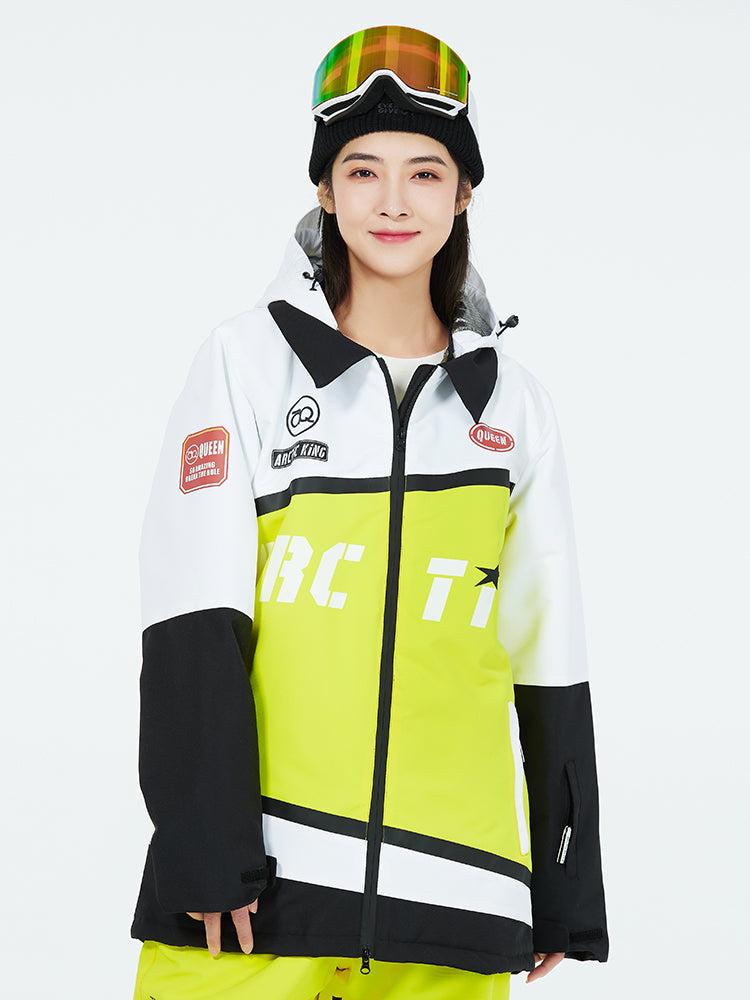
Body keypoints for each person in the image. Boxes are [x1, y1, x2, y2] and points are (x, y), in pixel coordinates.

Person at [131, 25, 609, 1000]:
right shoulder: (245, 363)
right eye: (362, 171)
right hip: (260, 895)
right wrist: (203, 844)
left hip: (458, 897)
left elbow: (546, 650)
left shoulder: (513, 408)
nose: (393, 201)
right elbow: (192, 614)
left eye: (425, 173)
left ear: (463, 193)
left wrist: (565, 879)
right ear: (325, 190)